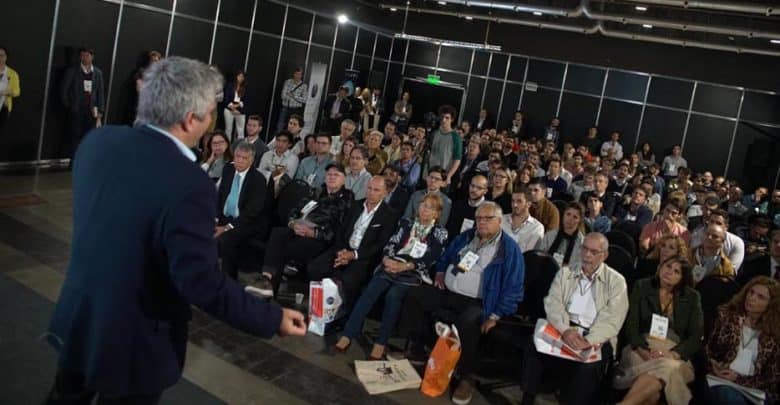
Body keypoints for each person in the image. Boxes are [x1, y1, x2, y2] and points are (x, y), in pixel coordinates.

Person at [45, 57, 305, 404]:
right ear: (190, 119)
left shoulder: (97, 143)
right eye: (212, 111)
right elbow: (199, 282)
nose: (213, 120)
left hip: (80, 317)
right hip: (135, 340)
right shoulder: (190, 183)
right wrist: (271, 318)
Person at [394, 202, 525, 405]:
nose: (481, 222)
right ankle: (418, 348)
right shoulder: (466, 236)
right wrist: (439, 272)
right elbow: (446, 257)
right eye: (479, 218)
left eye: (487, 219)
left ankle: (466, 376)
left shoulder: (509, 249)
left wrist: (496, 315)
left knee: (468, 322)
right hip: (449, 291)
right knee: (416, 295)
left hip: (480, 301)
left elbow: (514, 288)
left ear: (499, 221)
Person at [334, 193, 448, 360]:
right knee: (370, 290)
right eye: (423, 205)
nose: (424, 209)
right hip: (391, 264)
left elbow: (431, 257)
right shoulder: (406, 223)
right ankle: (348, 334)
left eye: (430, 207)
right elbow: (391, 244)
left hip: (413, 271)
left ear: (437, 213)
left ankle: (381, 342)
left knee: (393, 296)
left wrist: (406, 266)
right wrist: (387, 259)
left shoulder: (440, 232)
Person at [521, 233, 628, 405]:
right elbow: (553, 304)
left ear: (605, 255)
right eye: (584, 249)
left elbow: (613, 320)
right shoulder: (566, 272)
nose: (587, 255)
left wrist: (589, 340)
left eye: (594, 252)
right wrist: (566, 330)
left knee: (587, 368)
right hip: (565, 328)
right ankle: (527, 398)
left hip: (595, 336)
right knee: (534, 347)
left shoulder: (616, 282)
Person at [249, 163, 354, 298]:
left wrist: (314, 232)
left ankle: (267, 283)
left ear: (344, 179)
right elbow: (295, 210)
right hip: (299, 229)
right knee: (277, 233)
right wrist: (293, 224)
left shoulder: (346, 198)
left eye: (336, 175)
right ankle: (267, 280)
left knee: (280, 249)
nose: (332, 177)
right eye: (329, 174)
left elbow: (339, 228)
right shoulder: (316, 191)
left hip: (319, 238)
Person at [616, 256, 703, 405]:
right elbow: (631, 325)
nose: (669, 272)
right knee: (657, 386)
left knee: (664, 372)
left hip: (674, 352)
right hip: (641, 346)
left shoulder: (692, 297)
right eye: (667, 266)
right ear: (660, 267)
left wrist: (672, 354)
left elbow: (696, 336)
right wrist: (643, 351)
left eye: (676, 271)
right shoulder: (642, 286)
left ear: (682, 278)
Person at [307, 176, 399, 307]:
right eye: (369, 188)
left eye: (376, 190)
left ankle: (341, 315)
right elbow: (341, 230)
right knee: (315, 268)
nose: (371, 193)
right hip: (343, 249)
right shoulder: (355, 205)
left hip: (363, 256)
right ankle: (317, 308)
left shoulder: (389, 215)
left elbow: (380, 244)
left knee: (348, 280)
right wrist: (341, 252)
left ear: (385, 193)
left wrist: (354, 255)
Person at [705, 276, 780, 404]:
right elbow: (708, 350)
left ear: (771, 304)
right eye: (751, 292)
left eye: (760, 297)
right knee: (730, 397)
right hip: (722, 381)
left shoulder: (774, 334)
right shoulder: (726, 317)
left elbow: (772, 378)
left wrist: (739, 379)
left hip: (755, 389)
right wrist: (714, 365)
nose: (752, 298)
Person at [215, 141, 269, 279]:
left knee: (225, 239)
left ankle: (228, 281)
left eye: (244, 158)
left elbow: (252, 212)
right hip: (226, 217)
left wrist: (226, 227)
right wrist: (215, 219)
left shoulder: (258, 180)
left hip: (246, 222)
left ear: (251, 160)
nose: (239, 160)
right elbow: (220, 197)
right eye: (237, 156)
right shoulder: (228, 169)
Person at [60, 47, 105, 162]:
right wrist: (70, 106)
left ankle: (85, 161)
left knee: (88, 136)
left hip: (91, 110)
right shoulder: (72, 71)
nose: (85, 58)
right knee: (75, 136)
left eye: (87, 55)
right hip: (77, 109)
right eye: (82, 55)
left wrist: (100, 110)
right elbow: (64, 90)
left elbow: (100, 92)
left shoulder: (97, 73)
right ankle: (74, 161)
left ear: (92, 57)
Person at [537, 202, 586, 267]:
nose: (570, 219)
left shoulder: (582, 242)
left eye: (575, 217)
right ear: (563, 215)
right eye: (568, 214)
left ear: (580, 221)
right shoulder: (550, 235)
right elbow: (540, 255)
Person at [428, 105, 463, 189]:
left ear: (452, 120)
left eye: (447, 118)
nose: (444, 120)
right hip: (430, 174)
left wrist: (449, 176)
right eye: (442, 117)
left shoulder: (456, 137)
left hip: (443, 177)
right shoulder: (434, 133)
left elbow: (457, 160)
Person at [502, 188, 545, 253]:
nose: (514, 205)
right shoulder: (501, 220)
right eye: (513, 201)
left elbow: (529, 255)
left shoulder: (536, 227)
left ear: (529, 204)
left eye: (519, 201)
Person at [277, 67, 307, 133]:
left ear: (301, 75)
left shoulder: (303, 86)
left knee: (293, 128)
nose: (297, 76)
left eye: (299, 74)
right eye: (296, 74)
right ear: (294, 74)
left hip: (296, 110)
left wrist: (293, 96)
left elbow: (304, 100)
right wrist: (292, 97)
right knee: (280, 126)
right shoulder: (288, 82)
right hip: (285, 108)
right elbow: (283, 95)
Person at [222, 70, 247, 141]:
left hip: (240, 110)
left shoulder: (245, 87)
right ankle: (227, 147)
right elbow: (226, 98)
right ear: (236, 76)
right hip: (229, 109)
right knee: (228, 130)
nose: (241, 78)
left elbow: (245, 100)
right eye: (239, 76)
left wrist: (237, 108)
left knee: (240, 131)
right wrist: (232, 108)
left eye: (242, 77)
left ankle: (240, 147)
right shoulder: (230, 85)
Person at [0, 46, 21, 131]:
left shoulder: (12, 74)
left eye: (2, 55)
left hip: (3, 109)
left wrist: (7, 92)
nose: (0, 58)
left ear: (6, 57)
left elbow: (17, 92)